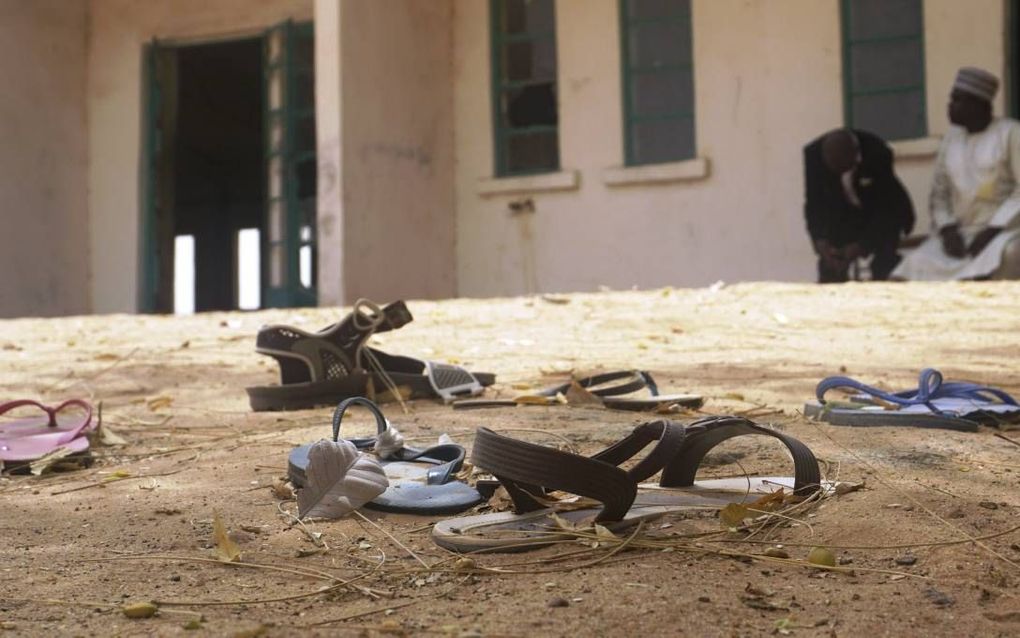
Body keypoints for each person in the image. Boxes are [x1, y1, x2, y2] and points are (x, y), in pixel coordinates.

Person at [892, 67, 1020, 281]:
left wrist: (993, 229)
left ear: (980, 104)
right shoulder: (951, 139)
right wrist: (947, 229)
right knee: (912, 266)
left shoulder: (1011, 133)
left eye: (958, 100)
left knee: (1009, 254)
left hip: (1005, 232)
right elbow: (939, 195)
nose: (950, 106)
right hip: (960, 234)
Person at [803, 128, 915, 282]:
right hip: (844, 212)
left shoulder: (878, 153)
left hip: (882, 211)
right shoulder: (812, 156)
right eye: (834, 170)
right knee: (830, 264)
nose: (840, 175)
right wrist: (819, 240)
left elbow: (885, 208)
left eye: (843, 168)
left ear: (856, 155)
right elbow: (814, 203)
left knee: (884, 262)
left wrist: (862, 245)